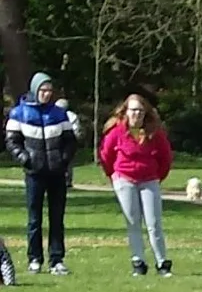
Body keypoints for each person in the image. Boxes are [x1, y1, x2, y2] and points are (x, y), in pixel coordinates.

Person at [6, 72, 80, 275]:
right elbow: (12, 142)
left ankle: (56, 259)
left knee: (57, 218)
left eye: (49, 90)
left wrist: (63, 159)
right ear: (34, 90)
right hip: (34, 173)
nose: (46, 94)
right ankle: (35, 258)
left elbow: (70, 141)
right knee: (34, 219)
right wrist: (25, 159)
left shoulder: (59, 114)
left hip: (56, 173)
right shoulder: (19, 113)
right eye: (43, 90)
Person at [97, 93, 175, 277]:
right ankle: (138, 261)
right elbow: (106, 156)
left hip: (149, 180)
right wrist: (114, 176)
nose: (136, 114)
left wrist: (157, 177)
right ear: (126, 111)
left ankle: (162, 261)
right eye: (133, 110)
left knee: (154, 223)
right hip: (124, 180)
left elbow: (165, 158)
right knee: (133, 222)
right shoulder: (116, 132)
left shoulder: (155, 133)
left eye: (140, 111)